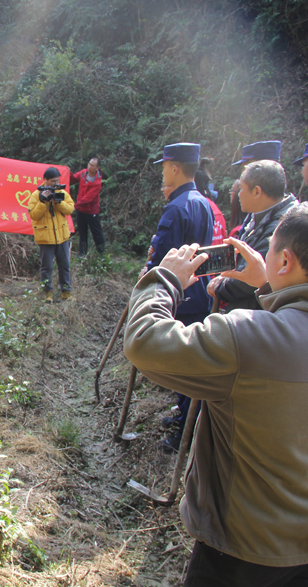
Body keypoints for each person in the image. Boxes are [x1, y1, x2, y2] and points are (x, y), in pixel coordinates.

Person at [123, 204, 308, 587]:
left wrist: (164, 281)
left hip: (244, 550)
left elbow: (144, 343)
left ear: (286, 260)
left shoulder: (249, 338)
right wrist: (268, 286)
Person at [144, 142, 214, 452]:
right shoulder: (202, 202)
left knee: (184, 365)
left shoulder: (177, 207)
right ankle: (183, 415)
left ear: (174, 168)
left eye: (163, 167)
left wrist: (147, 279)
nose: (161, 173)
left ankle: (184, 432)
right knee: (189, 361)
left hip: (180, 294)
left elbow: (162, 259)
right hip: (198, 292)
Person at [208, 160, 297, 312]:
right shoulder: (256, 214)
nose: (238, 194)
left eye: (240, 189)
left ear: (257, 192)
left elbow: (253, 275)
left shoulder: (284, 227)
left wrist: (219, 287)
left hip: (258, 315)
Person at [28, 167, 75, 303]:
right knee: (46, 267)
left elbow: (70, 208)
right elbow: (33, 214)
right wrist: (43, 202)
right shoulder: (36, 195)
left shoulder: (61, 192)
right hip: (45, 238)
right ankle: (47, 293)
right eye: (53, 181)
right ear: (46, 180)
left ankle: (66, 292)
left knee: (64, 265)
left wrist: (58, 202)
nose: (56, 183)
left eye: (58, 181)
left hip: (61, 236)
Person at [69, 157, 105, 256]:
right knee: (82, 232)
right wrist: (68, 172)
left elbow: (88, 198)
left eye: (92, 165)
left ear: (97, 167)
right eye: (89, 164)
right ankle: (82, 253)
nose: (89, 167)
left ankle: (101, 252)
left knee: (96, 231)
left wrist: (75, 206)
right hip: (81, 210)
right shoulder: (83, 173)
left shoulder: (97, 183)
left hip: (91, 211)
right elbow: (74, 179)